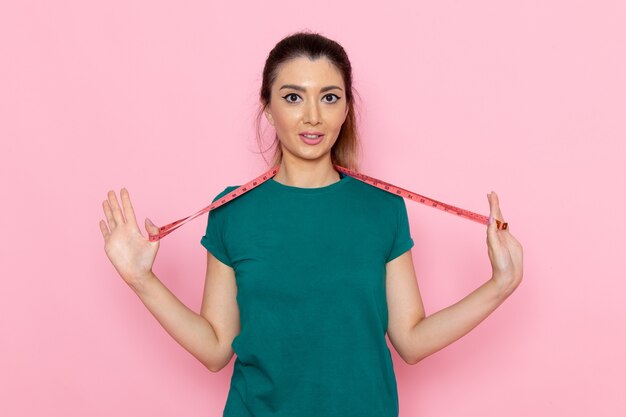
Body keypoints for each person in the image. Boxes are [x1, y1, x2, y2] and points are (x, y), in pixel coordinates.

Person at [99, 31, 523, 417]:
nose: (313, 117)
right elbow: (214, 349)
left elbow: (411, 341)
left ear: (346, 109)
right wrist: (141, 280)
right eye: (293, 97)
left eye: (330, 97)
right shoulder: (233, 209)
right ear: (267, 108)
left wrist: (500, 285)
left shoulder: (383, 208)